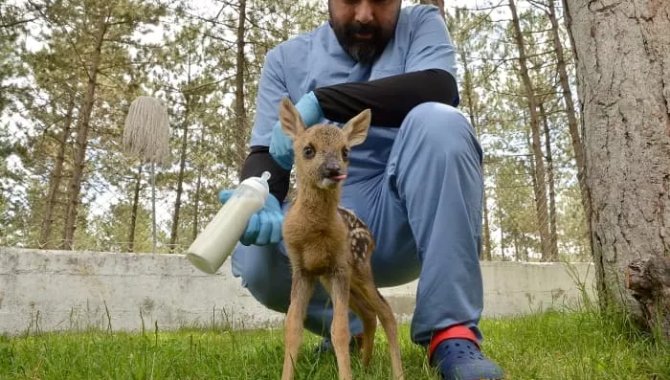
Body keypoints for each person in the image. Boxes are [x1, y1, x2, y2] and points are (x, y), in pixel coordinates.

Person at [219, 1, 504, 379]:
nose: (366, 15)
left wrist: (325, 100)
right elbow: (265, 151)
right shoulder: (286, 60)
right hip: (321, 222)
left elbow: (438, 86)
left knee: (441, 122)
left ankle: (451, 331)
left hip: (402, 218)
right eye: (351, 0)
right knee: (251, 252)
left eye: (383, 0)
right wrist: (260, 190)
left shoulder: (420, 25)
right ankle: (349, 327)